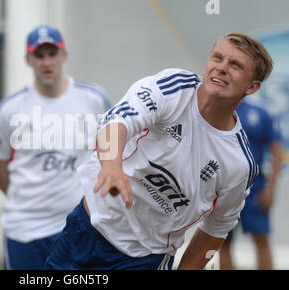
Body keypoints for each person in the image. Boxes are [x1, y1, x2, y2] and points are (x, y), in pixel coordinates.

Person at [44, 32, 274, 270]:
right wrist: (111, 166)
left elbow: (217, 228)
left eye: (235, 65)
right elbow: (119, 120)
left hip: (145, 259)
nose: (222, 68)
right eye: (217, 58)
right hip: (86, 228)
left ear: (252, 87)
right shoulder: (175, 88)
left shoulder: (240, 163)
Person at [0, 25, 111, 270]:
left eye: (52, 54)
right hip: (25, 229)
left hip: (79, 225)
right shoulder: (11, 107)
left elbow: (112, 154)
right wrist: (23, 196)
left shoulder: (94, 99)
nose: (46, 62)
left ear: (64, 55)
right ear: (28, 59)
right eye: (39, 55)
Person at [219, 101, 283, 270]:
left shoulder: (260, 112)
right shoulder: (217, 110)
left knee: (261, 238)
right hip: (222, 189)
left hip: (255, 189)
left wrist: (271, 188)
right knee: (221, 241)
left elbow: (277, 150)